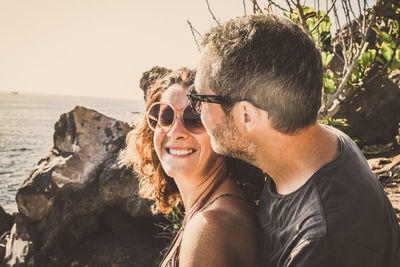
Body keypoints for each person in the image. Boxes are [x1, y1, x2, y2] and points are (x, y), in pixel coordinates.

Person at [188, 14, 400, 267]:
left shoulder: (324, 243)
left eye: (200, 98)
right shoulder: (322, 142)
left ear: (246, 115)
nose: (197, 110)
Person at [125, 68, 263, 266]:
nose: (176, 132)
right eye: (165, 117)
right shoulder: (216, 208)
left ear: (223, 133)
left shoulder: (210, 227)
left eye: (194, 118)